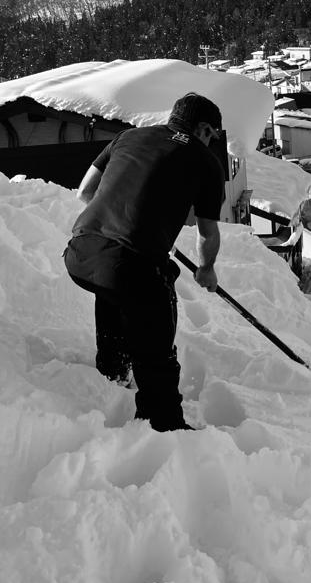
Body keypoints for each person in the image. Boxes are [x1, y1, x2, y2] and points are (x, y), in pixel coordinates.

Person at [63, 92, 226, 432]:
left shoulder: (130, 136)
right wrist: (206, 269)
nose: (211, 141)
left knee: (114, 289)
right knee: (156, 336)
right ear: (202, 128)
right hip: (127, 264)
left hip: (80, 252)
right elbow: (207, 232)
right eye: (212, 134)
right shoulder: (205, 161)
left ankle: (112, 373)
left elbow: (85, 192)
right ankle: (163, 424)